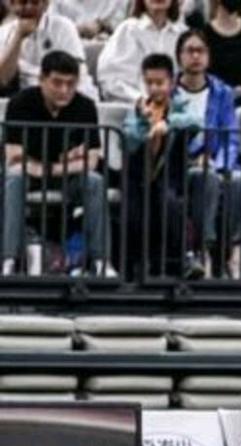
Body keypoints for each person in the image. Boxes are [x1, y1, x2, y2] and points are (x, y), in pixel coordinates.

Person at [2, 51, 112, 277]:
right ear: (41, 79)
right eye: (57, 83)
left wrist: (48, 168)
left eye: (70, 84)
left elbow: (91, 161)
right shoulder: (20, 103)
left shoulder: (86, 107)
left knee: (95, 181)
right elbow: (14, 157)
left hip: (66, 178)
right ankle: (8, 259)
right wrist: (64, 163)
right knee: (13, 178)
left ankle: (101, 260)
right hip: (29, 177)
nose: (64, 90)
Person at [175, 29, 241, 280]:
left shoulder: (222, 92)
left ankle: (236, 254)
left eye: (201, 51)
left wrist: (220, 165)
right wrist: (195, 161)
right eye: (190, 51)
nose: (195, 56)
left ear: (208, 56)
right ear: (179, 57)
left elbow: (231, 137)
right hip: (183, 167)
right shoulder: (170, 92)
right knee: (205, 178)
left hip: (216, 163)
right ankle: (203, 251)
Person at [123, 53, 201, 280]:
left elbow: (196, 122)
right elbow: (129, 140)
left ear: (172, 82)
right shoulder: (137, 110)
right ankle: (137, 265)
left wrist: (169, 123)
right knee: (135, 213)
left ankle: (185, 258)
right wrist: (143, 123)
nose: (154, 88)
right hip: (139, 176)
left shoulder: (180, 107)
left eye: (160, 82)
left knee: (171, 202)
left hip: (170, 175)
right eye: (149, 83)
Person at [0, 0, 97, 99]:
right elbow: (3, 79)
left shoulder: (64, 27)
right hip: (28, 98)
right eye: (23, 2)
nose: (29, 7)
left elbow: (74, 72)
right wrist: (19, 36)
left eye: (35, 2)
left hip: (70, 93)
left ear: (46, 5)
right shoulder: (3, 33)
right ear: (12, 4)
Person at [97, 0, 189, 103]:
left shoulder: (183, 34)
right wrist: (140, 100)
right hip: (132, 105)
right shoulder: (127, 30)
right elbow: (110, 79)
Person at [49, 0, 128, 40]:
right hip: (65, 50)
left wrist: (101, 25)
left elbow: (121, 23)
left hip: (105, 49)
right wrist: (76, 30)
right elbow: (50, 28)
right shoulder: (58, 2)